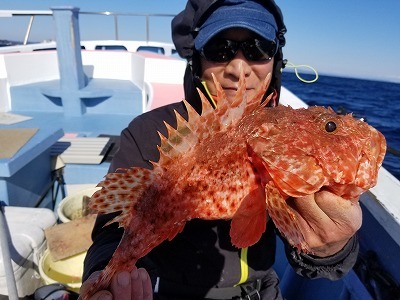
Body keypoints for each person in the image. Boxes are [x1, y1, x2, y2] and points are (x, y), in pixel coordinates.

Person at [80, 0, 362, 299]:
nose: (238, 68)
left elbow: (318, 264)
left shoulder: (289, 137)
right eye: (220, 48)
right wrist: (109, 273)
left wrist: (331, 248)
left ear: (276, 59)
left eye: (258, 48)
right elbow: (113, 231)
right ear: (197, 59)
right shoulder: (149, 132)